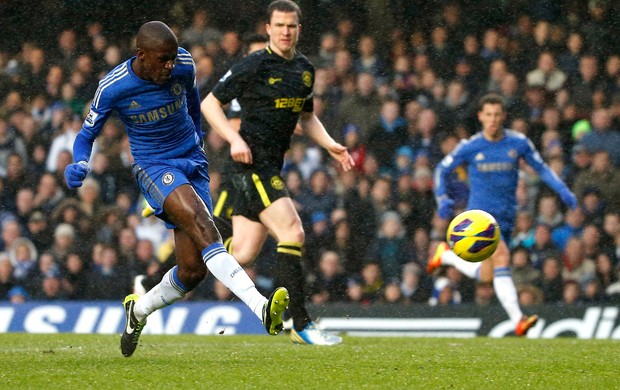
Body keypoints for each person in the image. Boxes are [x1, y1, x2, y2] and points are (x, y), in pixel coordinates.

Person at [63, 21, 289, 358]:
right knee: (203, 224)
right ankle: (260, 308)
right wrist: (80, 162)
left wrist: (197, 138)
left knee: (192, 270)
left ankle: (137, 312)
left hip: (192, 162)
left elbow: (194, 101)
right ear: (141, 55)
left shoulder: (183, 64)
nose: (170, 65)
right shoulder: (113, 87)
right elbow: (85, 135)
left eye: (172, 58)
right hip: (154, 166)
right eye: (163, 59)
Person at [201, 0, 354, 345]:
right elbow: (209, 103)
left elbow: (306, 117)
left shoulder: (304, 69)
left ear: (299, 29)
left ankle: (191, 255)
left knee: (241, 253)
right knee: (293, 231)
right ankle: (300, 324)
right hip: (250, 167)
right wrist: (234, 138)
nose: (286, 31)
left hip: (270, 165)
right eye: (279, 25)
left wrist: (330, 144)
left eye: (291, 26)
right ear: (269, 28)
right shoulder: (253, 64)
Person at [428, 93, 578, 336]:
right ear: (480, 116)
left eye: (497, 114)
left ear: (504, 116)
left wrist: (562, 189)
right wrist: (442, 198)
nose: (493, 120)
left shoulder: (518, 143)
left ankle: (446, 255)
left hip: (507, 216)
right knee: (502, 258)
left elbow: (541, 168)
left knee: (487, 276)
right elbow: (441, 170)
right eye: (488, 115)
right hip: (480, 217)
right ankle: (518, 319)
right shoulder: (471, 146)